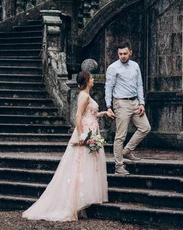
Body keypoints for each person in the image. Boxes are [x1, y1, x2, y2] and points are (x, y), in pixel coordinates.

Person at [22, 70, 112, 221]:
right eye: (92, 78)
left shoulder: (87, 95)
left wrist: (104, 113)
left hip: (91, 130)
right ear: (86, 80)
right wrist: (82, 134)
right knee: (80, 166)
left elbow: (91, 113)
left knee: (87, 166)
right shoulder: (83, 96)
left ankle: (81, 202)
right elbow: (78, 115)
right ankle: (75, 203)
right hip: (85, 132)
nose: (93, 79)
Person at [105, 41, 151, 175]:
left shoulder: (135, 66)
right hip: (121, 103)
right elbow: (108, 87)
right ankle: (118, 166)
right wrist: (109, 106)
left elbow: (139, 85)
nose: (123, 56)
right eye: (120, 54)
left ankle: (127, 151)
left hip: (135, 102)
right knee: (120, 136)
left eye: (125, 53)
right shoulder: (113, 68)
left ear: (130, 52)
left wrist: (142, 103)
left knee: (145, 127)